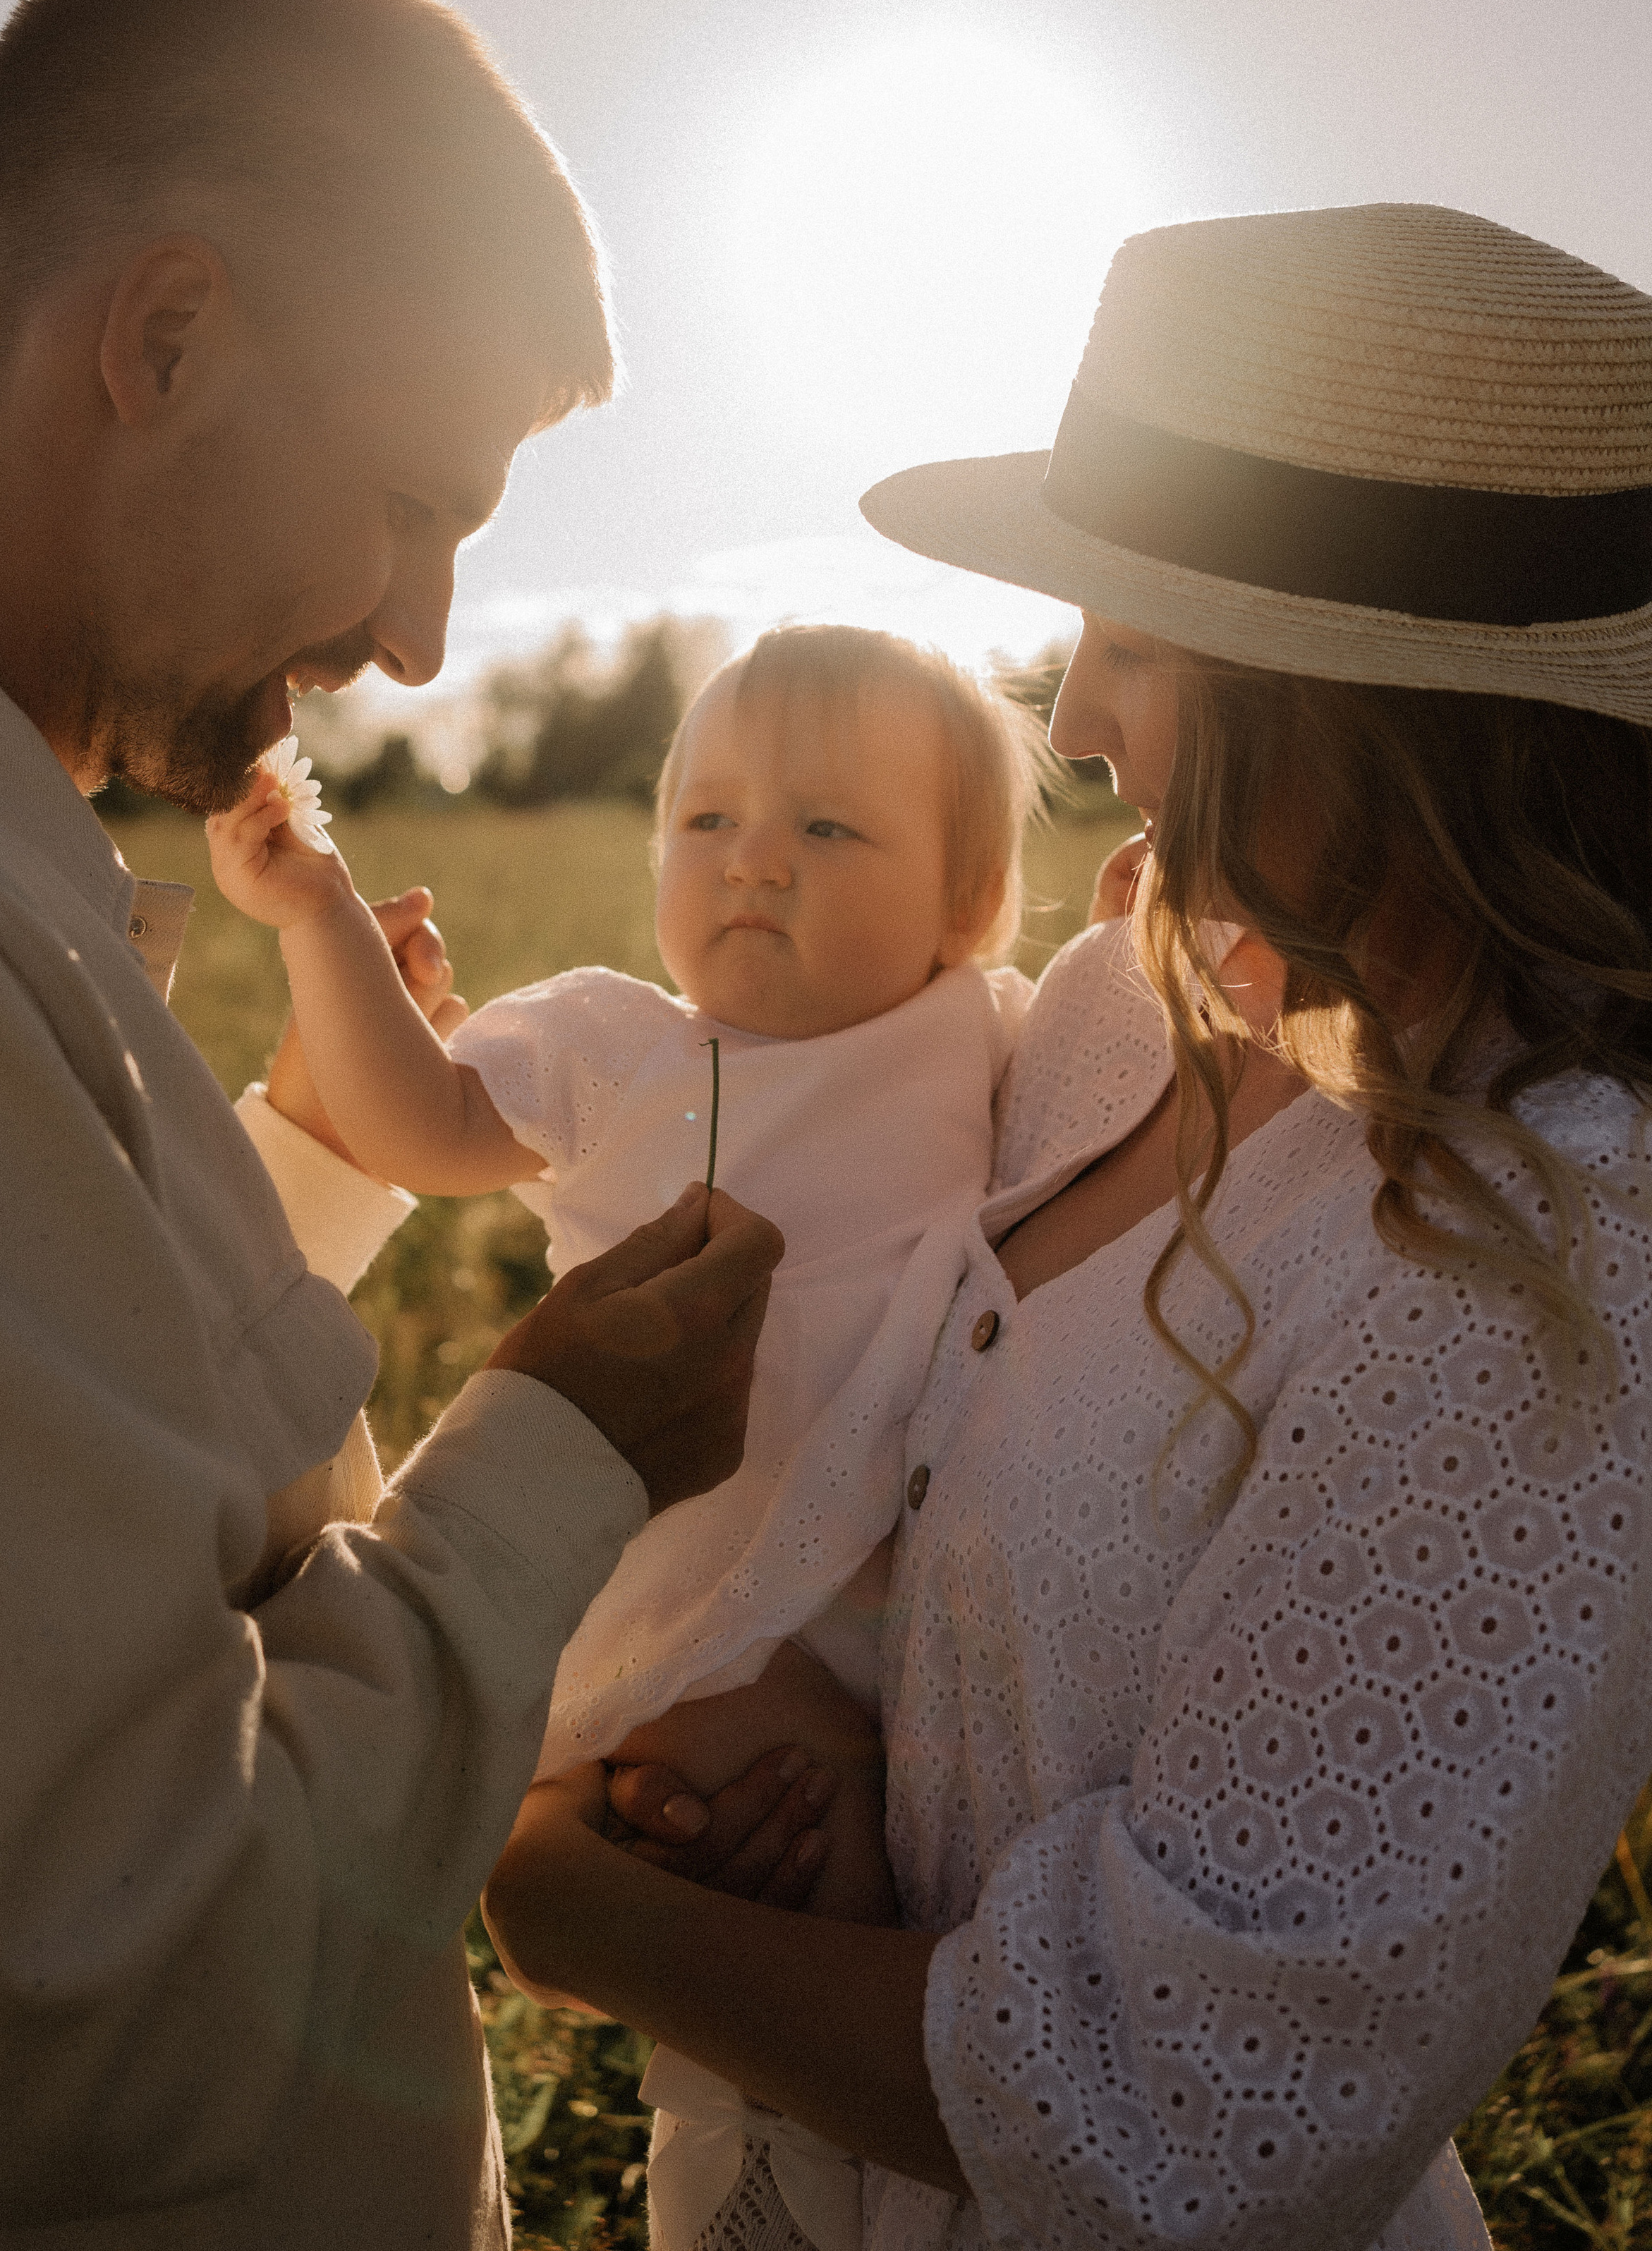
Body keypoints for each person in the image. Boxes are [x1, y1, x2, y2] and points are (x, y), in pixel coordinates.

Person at [481, 201, 1652, 2251]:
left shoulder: (1555, 1264)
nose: (1078, 716)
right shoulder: (1133, 1001)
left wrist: (558, 1898)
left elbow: (1204, 2117)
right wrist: (829, 1727)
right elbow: (944, 1473)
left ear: (1362, 687)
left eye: (1133, 637)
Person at [0, 0, 785, 2249]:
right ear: (162, 342)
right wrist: (558, 1454)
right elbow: (113, 1998)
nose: (419, 635)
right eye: (410, 501)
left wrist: (303, 1186)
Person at [209, 624, 1047, 2251]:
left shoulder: (989, 1038)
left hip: (891, 1604)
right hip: (693, 1603)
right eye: (706, 820)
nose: (754, 865)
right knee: (770, 1937)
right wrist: (321, 924)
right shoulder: (618, 1048)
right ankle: (750, 2212)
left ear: (962, 903)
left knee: (872, 1923)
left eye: (827, 828)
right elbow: (423, 1128)